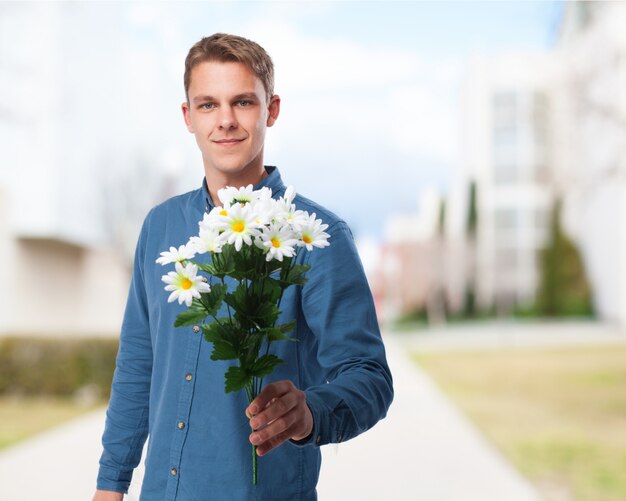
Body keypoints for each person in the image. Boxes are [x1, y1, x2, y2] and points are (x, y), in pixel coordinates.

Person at [93, 33, 393, 501]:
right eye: (208, 105)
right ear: (188, 117)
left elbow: (369, 376)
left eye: (243, 102)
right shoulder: (160, 227)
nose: (226, 121)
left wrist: (310, 412)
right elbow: (138, 364)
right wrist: (110, 484)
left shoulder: (317, 237)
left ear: (271, 110)